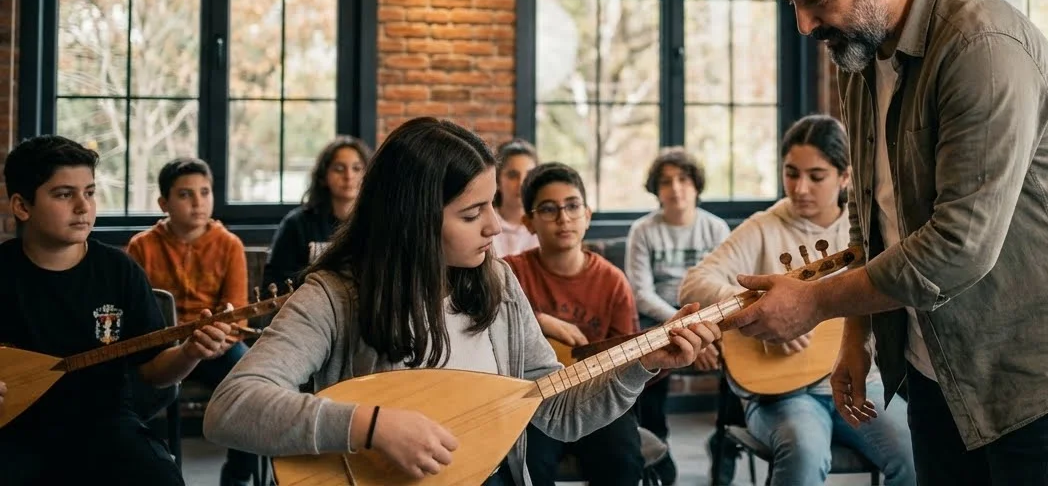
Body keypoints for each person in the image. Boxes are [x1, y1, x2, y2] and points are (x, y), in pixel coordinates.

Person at [723, 0, 1048, 485]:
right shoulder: (860, 52)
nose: (804, 25)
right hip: (939, 359)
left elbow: (957, 247)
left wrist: (814, 302)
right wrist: (855, 333)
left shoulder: (982, 45)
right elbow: (870, 211)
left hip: (1045, 364)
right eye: (794, 3)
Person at [203, 117, 720, 485]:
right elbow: (231, 407)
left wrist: (640, 364)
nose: (496, 225)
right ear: (414, 220)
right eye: (472, 214)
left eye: (492, 204)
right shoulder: (335, 295)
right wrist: (372, 426)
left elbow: (555, 409)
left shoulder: (497, 283)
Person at [681, 115, 917, 486]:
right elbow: (694, 283)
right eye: (791, 173)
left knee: (914, 453)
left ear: (845, 177)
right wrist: (760, 309)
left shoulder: (872, 229)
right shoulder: (764, 225)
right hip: (780, 392)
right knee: (804, 454)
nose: (800, 187)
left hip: (860, 383)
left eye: (816, 176)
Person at [0, 135, 237, 486]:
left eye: (90, 192)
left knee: (161, 478)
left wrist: (190, 352)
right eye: (64, 194)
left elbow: (154, 371)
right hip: (17, 429)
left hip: (106, 423)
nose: (83, 207)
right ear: (22, 206)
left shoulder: (118, 270)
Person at [504, 162, 643, 486]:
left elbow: (626, 361)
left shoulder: (613, 282)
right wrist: (537, 321)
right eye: (549, 209)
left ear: (588, 214)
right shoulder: (509, 274)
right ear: (529, 222)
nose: (563, 218)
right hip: (533, 404)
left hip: (596, 397)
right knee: (525, 465)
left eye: (572, 206)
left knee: (623, 460)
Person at [127, 156, 256, 486]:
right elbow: (136, 314)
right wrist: (176, 351)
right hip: (160, 347)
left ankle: (238, 476)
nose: (198, 202)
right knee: (124, 389)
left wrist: (209, 344)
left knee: (253, 386)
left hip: (218, 345)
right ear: (163, 202)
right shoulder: (142, 246)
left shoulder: (229, 245)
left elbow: (237, 316)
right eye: (185, 194)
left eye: (205, 192)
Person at [624, 146, 730, 481]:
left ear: (696, 185)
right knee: (646, 358)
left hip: (710, 318)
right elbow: (641, 293)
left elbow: (726, 285)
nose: (675, 188)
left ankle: (726, 442)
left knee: (743, 358)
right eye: (666, 181)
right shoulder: (643, 230)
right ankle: (657, 449)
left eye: (683, 179)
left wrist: (700, 328)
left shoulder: (716, 229)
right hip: (660, 321)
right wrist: (681, 326)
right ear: (656, 190)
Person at [262, 134, 370, 292]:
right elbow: (275, 284)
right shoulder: (296, 224)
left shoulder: (377, 222)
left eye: (357, 168)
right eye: (339, 169)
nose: (348, 176)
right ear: (323, 177)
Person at [492, 138, 540, 258]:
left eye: (529, 175)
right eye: (513, 175)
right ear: (497, 180)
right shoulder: (485, 226)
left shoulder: (543, 226)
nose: (521, 183)